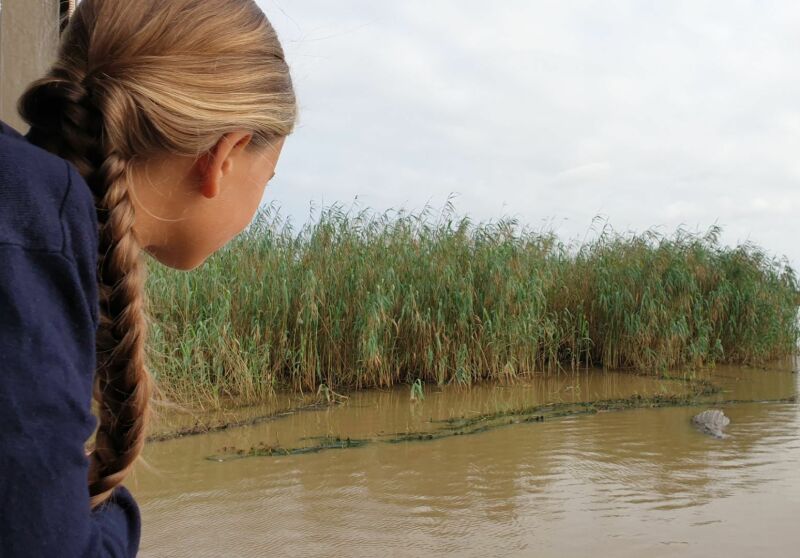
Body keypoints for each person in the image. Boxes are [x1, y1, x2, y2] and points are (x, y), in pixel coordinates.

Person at [0, 0, 296, 555]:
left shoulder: (29, 203)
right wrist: (111, 513)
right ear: (225, 156)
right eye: (269, 177)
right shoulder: (30, 230)